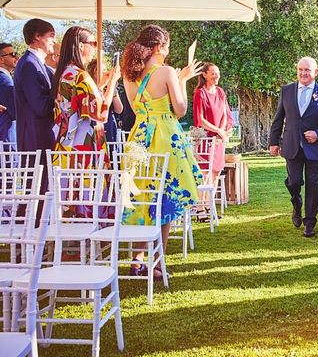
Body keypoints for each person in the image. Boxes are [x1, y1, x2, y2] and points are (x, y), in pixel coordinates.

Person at [122, 24, 203, 276]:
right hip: (165, 138)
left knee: (141, 197)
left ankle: (137, 260)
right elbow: (180, 110)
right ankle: (157, 263)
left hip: (138, 139)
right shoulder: (166, 71)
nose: (168, 52)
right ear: (158, 47)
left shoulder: (129, 74)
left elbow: (137, 111)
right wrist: (183, 82)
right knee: (164, 200)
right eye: (167, 46)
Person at [268, 57, 318, 238]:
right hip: (291, 145)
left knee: (313, 185)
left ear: (316, 72)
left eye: (307, 70)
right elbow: (279, 118)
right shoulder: (286, 90)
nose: (303, 73)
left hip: (314, 148)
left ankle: (310, 222)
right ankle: (296, 203)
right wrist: (273, 142)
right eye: (300, 69)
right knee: (294, 181)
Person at [51, 28, 120, 167]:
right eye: (93, 43)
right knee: (87, 186)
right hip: (83, 141)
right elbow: (100, 112)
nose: (95, 48)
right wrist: (113, 81)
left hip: (65, 140)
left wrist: (99, 87)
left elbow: (81, 104)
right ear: (81, 46)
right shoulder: (81, 75)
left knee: (67, 185)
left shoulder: (65, 73)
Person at [14, 18, 56, 192]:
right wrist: (60, 97)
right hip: (35, 138)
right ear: (37, 37)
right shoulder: (30, 65)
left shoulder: (39, 64)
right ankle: (35, 220)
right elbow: (41, 106)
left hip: (40, 136)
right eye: (51, 36)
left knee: (42, 190)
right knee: (37, 192)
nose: (54, 40)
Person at [192, 63, 234, 188]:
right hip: (205, 140)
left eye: (218, 73)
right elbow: (200, 119)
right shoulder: (200, 93)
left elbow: (225, 114)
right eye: (213, 73)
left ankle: (210, 207)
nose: (217, 76)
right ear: (204, 75)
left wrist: (221, 132)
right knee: (205, 175)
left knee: (216, 173)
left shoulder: (220, 92)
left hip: (218, 141)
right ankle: (201, 207)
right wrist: (217, 131)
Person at [86, 59, 124, 143]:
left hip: (110, 123)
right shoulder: (89, 87)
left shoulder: (109, 87)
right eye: (103, 70)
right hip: (97, 125)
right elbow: (102, 107)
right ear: (95, 71)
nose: (105, 72)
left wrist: (112, 89)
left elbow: (119, 109)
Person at [0, 43, 18, 145]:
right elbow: (14, 110)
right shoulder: (3, 79)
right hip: (6, 138)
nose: (16, 57)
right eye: (13, 54)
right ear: (1, 59)